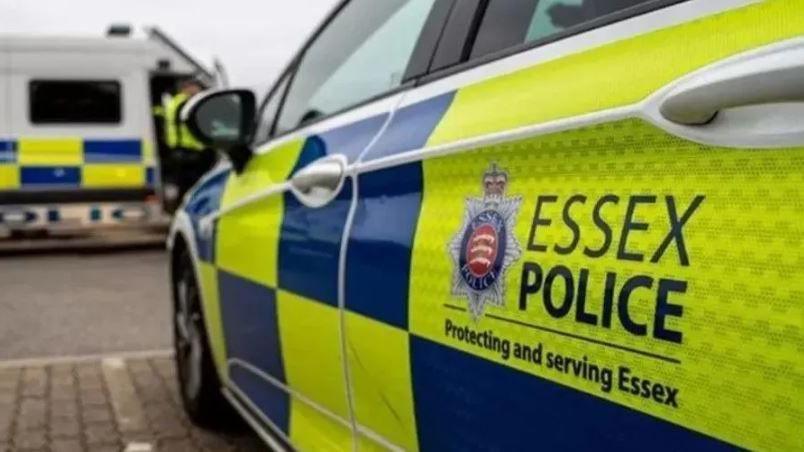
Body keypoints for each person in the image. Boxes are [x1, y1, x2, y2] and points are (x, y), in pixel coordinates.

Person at [164, 77, 217, 206]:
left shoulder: (175, 102)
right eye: (195, 86)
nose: (198, 90)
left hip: (179, 150)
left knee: (183, 184)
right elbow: (200, 123)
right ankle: (189, 208)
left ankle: (180, 206)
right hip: (189, 151)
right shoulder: (186, 103)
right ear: (186, 88)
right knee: (193, 185)